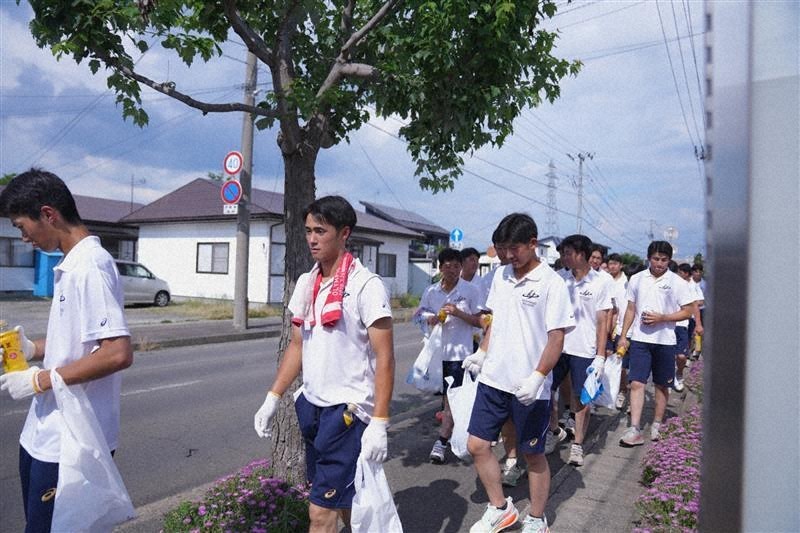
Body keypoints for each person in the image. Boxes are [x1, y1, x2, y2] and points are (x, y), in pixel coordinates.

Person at [0, 169, 134, 533]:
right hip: (43, 431)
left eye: (20, 225)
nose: (22, 236)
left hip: (72, 439)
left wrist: (42, 379)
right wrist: (31, 349)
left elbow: (117, 352)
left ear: (48, 214)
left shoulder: (90, 266)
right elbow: (79, 344)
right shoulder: (71, 263)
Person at [252, 196, 395, 533]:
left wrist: (380, 422)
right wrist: (273, 397)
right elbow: (298, 344)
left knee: (320, 514)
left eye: (321, 230)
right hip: (313, 407)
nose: (312, 238)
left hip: (348, 413)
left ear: (344, 233)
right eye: (308, 231)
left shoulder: (366, 286)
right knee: (343, 500)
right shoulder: (307, 282)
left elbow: (385, 357)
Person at [462, 213, 575, 533]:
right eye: (503, 249)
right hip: (494, 379)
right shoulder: (501, 276)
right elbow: (494, 321)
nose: (509, 255)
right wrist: (483, 352)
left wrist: (539, 376)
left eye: (515, 248)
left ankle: (538, 518)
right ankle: (500, 508)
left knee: (532, 454)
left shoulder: (552, 284)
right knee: (477, 445)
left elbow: (557, 338)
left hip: (529, 387)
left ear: (532, 243)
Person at [617, 241, 694, 446]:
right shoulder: (637, 279)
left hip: (665, 341)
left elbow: (688, 311)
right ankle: (634, 428)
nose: (659, 263)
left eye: (664, 260)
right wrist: (624, 335)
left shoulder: (677, 282)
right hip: (641, 340)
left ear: (669, 261)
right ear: (648, 258)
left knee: (662, 384)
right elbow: (631, 309)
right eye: (656, 259)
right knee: (636, 383)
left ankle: (657, 423)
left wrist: (663, 318)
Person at [550, 235, 612, 466]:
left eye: (569, 253)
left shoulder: (601, 282)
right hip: (557, 346)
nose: (564, 257)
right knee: (546, 390)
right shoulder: (559, 279)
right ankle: (554, 431)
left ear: (583, 254)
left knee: (581, 398)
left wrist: (600, 355)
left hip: (584, 348)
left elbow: (603, 319)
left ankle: (577, 444)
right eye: (563, 253)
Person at [418, 248, 482, 463]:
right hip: (437, 355)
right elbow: (420, 314)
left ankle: (442, 441)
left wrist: (459, 313)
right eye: (447, 265)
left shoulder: (471, 290)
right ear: (440, 267)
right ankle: (458, 437)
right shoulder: (431, 291)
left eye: (456, 266)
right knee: (447, 399)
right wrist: (433, 318)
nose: (452, 270)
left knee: (453, 399)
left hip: (460, 355)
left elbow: (481, 321)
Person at [606, 253, 630, 409]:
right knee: (607, 360)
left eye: (615, 264)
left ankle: (622, 391)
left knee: (622, 365)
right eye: (610, 263)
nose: (612, 266)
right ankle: (607, 392)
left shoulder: (626, 283)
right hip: (608, 327)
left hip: (623, 329)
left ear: (621, 265)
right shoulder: (605, 280)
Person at [675, 263, 704, 391]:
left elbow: (696, 304)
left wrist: (698, 324)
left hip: (683, 323)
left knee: (681, 356)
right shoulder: (670, 283)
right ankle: (668, 378)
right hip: (668, 324)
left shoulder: (690, 286)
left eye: (681, 272)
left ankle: (679, 373)